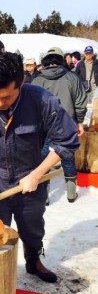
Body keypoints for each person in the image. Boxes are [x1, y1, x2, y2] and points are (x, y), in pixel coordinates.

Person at [0, 52, 79, 283]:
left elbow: (66, 141)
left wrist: (37, 174)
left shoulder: (42, 100)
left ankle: (35, 260)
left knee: (33, 230)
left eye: (6, 97)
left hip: (31, 183)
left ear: (21, 84)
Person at [32, 46, 87, 203]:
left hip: (44, 126)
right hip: (67, 124)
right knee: (67, 155)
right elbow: (80, 102)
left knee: (43, 159)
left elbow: (31, 105)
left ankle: (44, 197)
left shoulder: (37, 79)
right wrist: (80, 122)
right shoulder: (72, 77)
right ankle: (71, 194)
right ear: (61, 60)